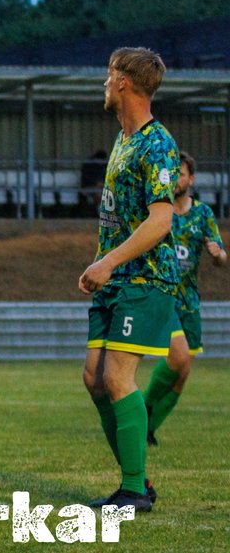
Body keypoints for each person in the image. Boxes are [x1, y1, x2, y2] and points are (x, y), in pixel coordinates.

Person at [79, 46, 181, 513]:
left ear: (123, 81)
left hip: (145, 279)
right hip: (115, 280)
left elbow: (160, 222)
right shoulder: (123, 140)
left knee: (118, 377)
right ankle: (137, 480)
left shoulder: (157, 143)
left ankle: (134, 489)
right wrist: (101, 265)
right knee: (94, 379)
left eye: (108, 75)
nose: (104, 83)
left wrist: (108, 263)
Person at [144, 151, 226, 446]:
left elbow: (221, 255)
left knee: (183, 372)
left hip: (189, 301)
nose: (175, 179)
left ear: (191, 179)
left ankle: (148, 428)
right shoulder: (159, 212)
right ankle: (143, 407)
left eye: (179, 174)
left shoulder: (203, 214)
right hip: (164, 296)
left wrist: (217, 254)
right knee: (177, 358)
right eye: (172, 174)